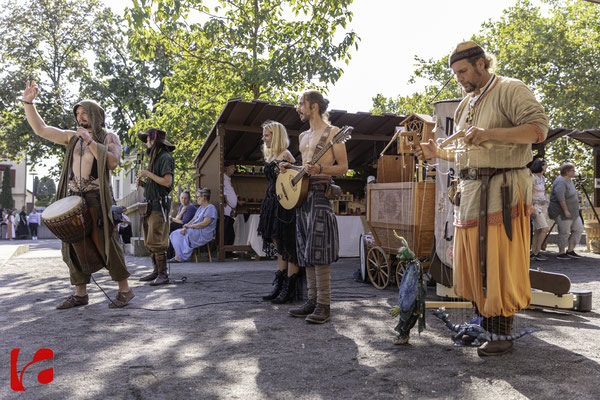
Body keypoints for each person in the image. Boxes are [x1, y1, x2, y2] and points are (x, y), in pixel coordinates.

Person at [415, 41, 549, 356]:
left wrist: (491, 133)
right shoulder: (465, 104)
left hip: (503, 189)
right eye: (455, 74)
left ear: (480, 64)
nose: (459, 78)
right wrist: (438, 153)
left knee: (498, 262)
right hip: (472, 191)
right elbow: (466, 151)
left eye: (463, 71)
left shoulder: (511, 89)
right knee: (474, 263)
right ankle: (485, 327)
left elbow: (538, 130)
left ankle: (502, 337)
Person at [23, 80, 133, 309]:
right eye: (78, 113)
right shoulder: (71, 137)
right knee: (74, 246)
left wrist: (91, 141)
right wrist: (28, 103)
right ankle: (80, 294)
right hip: (74, 200)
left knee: (107, 245)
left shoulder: (108, 137)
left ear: (95, 115)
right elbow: (41, 129)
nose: (80, 117)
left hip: (97, 199)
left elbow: (112, 163)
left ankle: (125, 290)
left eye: (85, 112)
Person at [281, 90, 348, 324]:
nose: (299, 108)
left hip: (320, 194)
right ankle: (311, 300)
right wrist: (289, 169)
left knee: (319, 250)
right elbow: (305, 167)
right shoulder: (302, 136)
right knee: (306, 249)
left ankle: (324, 305)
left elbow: (343, 168)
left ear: (314, 107)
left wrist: (320, 170)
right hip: (302, 196)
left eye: (302, 104)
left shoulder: (333, 133)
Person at [258, 120, 300, 303]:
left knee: (288, 246)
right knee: (279, 245)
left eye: (266, 135)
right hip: (272, 202)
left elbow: (297, 178)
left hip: (284, 204)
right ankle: (280, 286)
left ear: (276, 136)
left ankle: (290, 288)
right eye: (264, 135)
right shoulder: (272, 156)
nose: (264, 138)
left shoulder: (286, 154)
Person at [137, 128, 176, 286]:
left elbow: (167, 182)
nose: (146, 143)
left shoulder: (165, 157)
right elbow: (156, 184)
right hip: (150, 205)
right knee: (150, 240)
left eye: (148, 139)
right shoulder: (155, 158)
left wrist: (148, 174)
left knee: (158, 240)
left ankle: (163, 274)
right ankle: (156, 271)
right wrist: (144, 184)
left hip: (159, 206)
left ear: (155, 140)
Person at [169, 188, 217, 262]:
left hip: (204, 233)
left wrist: (189, 227)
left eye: (198, 197)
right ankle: (178, 256)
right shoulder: (200, 208)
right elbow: (193, 220)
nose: (196, 199)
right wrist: (186, 226)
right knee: (176, 233)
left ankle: (180, 257)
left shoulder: (210, 208)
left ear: (203, 197)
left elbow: (204, 224)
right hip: (196, 230)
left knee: (179, 233)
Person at [548, 163, 584, 260]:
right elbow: (560, 198)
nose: (574, 172)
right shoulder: (561, 181)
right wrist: (566, 210)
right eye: (573, 170)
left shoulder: (570, 180)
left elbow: (571, 193)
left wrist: (577, 198)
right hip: (562, 211)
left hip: (574, 211)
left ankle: (570, 250)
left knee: (578, 228)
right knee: (565, 231)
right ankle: (561, 252)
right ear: (567, 171)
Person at [167, 191, 196, 259]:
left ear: (189, 199)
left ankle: (169, 254)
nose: (183, 200)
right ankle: (169, 254)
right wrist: (182, 212)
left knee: (172, 226)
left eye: (185, 198)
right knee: (171, 228)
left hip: (189, 227)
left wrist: (171, 218)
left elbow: (184, 222)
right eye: (182, 198)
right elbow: (177, 218)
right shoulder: (182, 206)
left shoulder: (190, 207)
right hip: (183, 226)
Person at [530, 158, 549, 261]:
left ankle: (534, 252)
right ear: (541, 166)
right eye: (545, 165)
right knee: (545, 228)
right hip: (535, 205)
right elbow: (529, 193)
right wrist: (531, 208)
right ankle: (537, 252)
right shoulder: (532, 178)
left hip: (543, 205)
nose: (546, 167)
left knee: (538, 230)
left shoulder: (543, 178)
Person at [223, 161, 238, 246]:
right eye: (232, 167)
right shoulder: (223, 178)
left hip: (231, 210)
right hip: (226, 210)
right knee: (227, 233)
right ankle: (226, 251)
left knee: (230, 232)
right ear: (226, 168)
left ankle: (228, 251)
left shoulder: (228, 179)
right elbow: (224, 193)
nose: (234, 169)